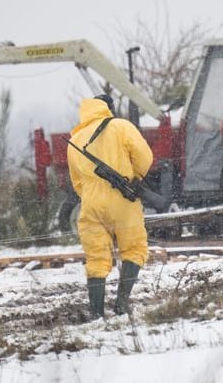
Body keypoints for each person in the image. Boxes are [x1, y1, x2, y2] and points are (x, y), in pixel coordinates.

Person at [67, 94, 153, 318]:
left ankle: (96, 313)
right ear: (109, 108)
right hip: (122, 199)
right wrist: (136, 177)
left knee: (96, 258)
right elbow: (144, 157)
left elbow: (76, 181)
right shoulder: (121, 126)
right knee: (134, 249)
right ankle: (122, 304)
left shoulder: (75, 139)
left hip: (90, 204)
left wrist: (91, 195)